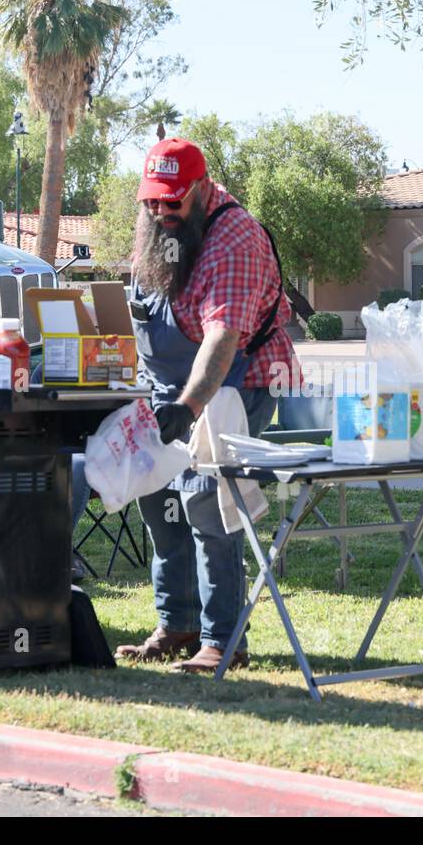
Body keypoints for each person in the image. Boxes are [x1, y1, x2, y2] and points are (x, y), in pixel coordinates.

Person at [110, 137, 297, 673]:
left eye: (172, 202)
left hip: (235, 384)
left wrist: (188, 408)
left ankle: (223, 639)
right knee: (157, 500)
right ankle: (178, 624)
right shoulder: (156, 228)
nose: (161, 212)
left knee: (207, 503)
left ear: (201, 187)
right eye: (152, 202)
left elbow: (222, 339)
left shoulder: (234, 238)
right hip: (165, 387)